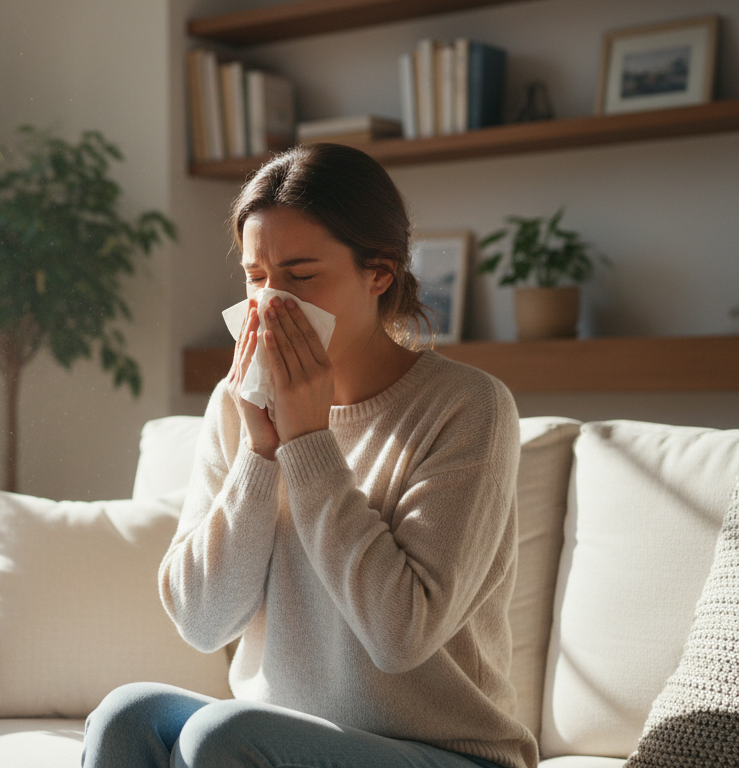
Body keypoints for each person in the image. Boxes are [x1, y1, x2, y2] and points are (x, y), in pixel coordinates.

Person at [80, 143, 537, 768]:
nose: (270, 304)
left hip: (445, 752)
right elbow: (201, 621)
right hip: (278, 735)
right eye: (256, 277)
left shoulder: (468, 406)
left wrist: (307, 443)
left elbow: (399, 637)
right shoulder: (234, 404)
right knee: (127, 716)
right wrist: (259, 454)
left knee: (222, 735)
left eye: (300, 276)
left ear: (378, 274)